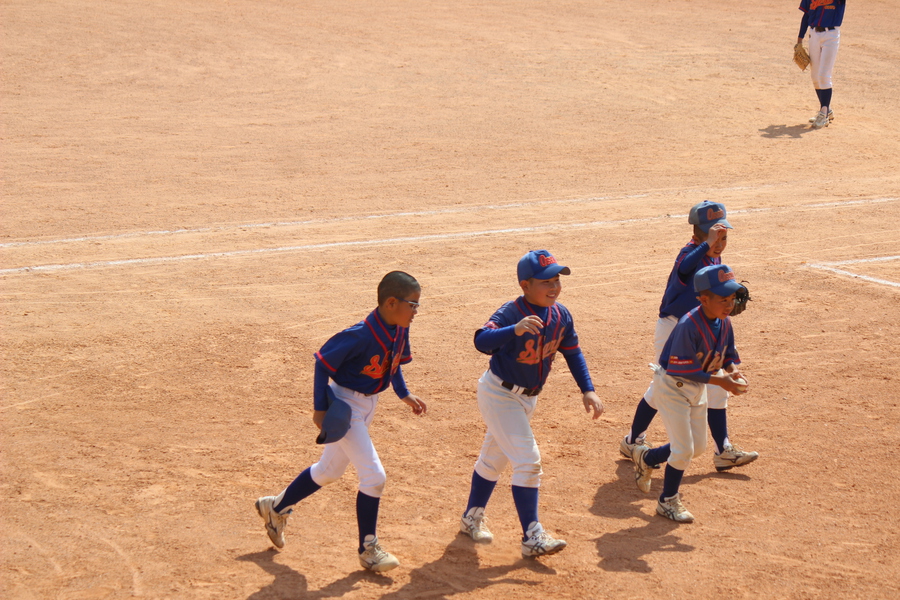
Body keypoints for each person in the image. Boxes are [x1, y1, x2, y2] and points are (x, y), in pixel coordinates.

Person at [254, 271, 427, 573]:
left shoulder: (398, 329)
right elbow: (322, 363)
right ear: (390, 303)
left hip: (369, 403)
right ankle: (368, 548)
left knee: (329, 470)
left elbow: (394, 363)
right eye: (413, 305)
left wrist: (404, 394)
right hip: (345, 407)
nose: (416, 311)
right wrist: (320, 410)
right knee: (374, 477)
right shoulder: (359, 334)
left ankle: (276, 507)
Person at [458, 250, 604, 558]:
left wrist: (587, 390)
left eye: (556, 280)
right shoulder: (512, 312)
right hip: (499, 395)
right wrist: (515, 329)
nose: (553, 287)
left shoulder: (561, 315)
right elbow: (481, 341)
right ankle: (532, 535)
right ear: (525, 285)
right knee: (528, 460)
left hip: (527, 399)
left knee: (493, 461)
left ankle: (472, 517)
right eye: (545, 282)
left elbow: (573, 352)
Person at [619, 201, 758, 472]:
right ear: (698, 232)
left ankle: (723, 450)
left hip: (703, 330)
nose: (718, 242)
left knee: (719, 388)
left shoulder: (715, 258)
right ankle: (633, 441)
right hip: (675, 329)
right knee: (662, 388)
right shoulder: (691, 252)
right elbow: (685, 269)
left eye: (723, 237)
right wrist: (708, 244)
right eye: (713, 235)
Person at [631, 264, 749, 523]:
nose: (729, 304)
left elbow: (728, 355)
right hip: (673, 387)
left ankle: (647, 457)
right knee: (684, 450)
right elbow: (683, 371)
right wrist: (723, 383)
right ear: (704, 299)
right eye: (723, 299)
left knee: (696, 448)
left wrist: (733, 371)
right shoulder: (688, 325)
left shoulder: (723, 321)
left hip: (697, 387)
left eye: (731, 298)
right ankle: (667, 500)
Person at [798, 0, 847, 129]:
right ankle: (826, 109)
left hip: (831, 35)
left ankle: (823, 115)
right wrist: (799, 40)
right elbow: (806, 15)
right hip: (814, 34)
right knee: (815, 76)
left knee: (824, 75)